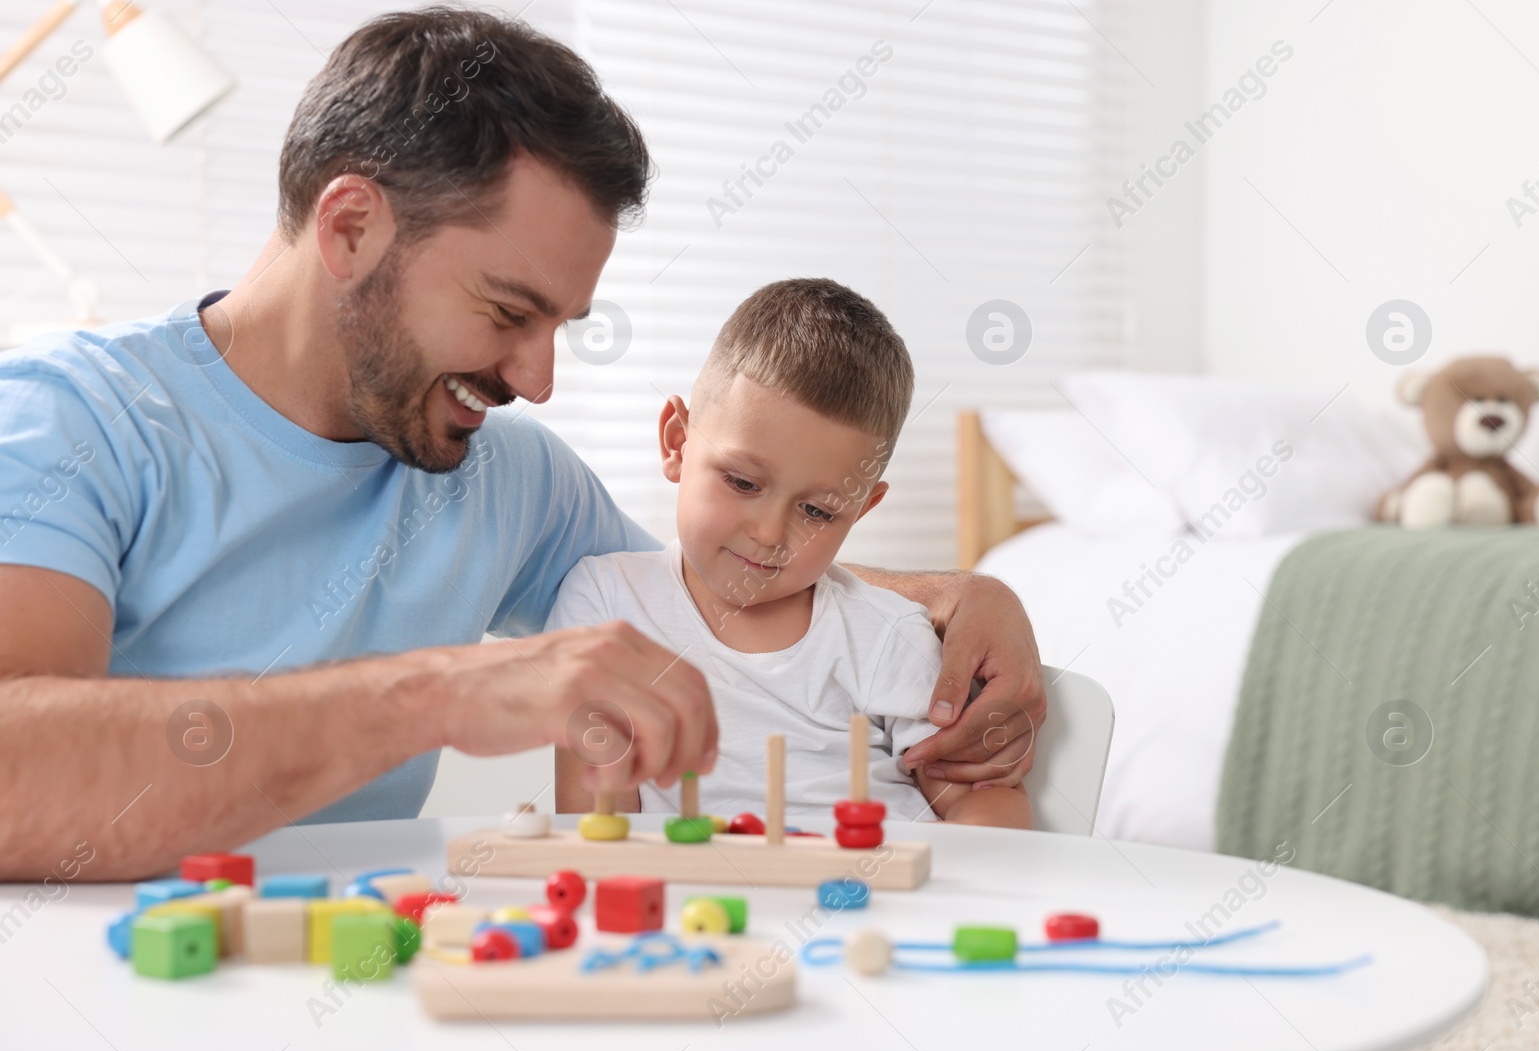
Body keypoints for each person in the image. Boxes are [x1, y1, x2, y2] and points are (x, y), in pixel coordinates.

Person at [0, 7, 1043, 883]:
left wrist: (955, 598)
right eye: (508, 311)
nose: (538, 380)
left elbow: (713, 590)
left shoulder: (509, 480)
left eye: (562, 328)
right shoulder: (69, 421)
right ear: (352, 227)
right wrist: (439, 691)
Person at [551, 280, 1032, 828]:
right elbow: (596, 827)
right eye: (742, 482)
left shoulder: (887, 635)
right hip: (699, 910)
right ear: (677, 442)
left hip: (878, 900)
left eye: (818, 513)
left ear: (862, 508)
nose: (768, 532)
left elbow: (979, 799)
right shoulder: (606, 602)